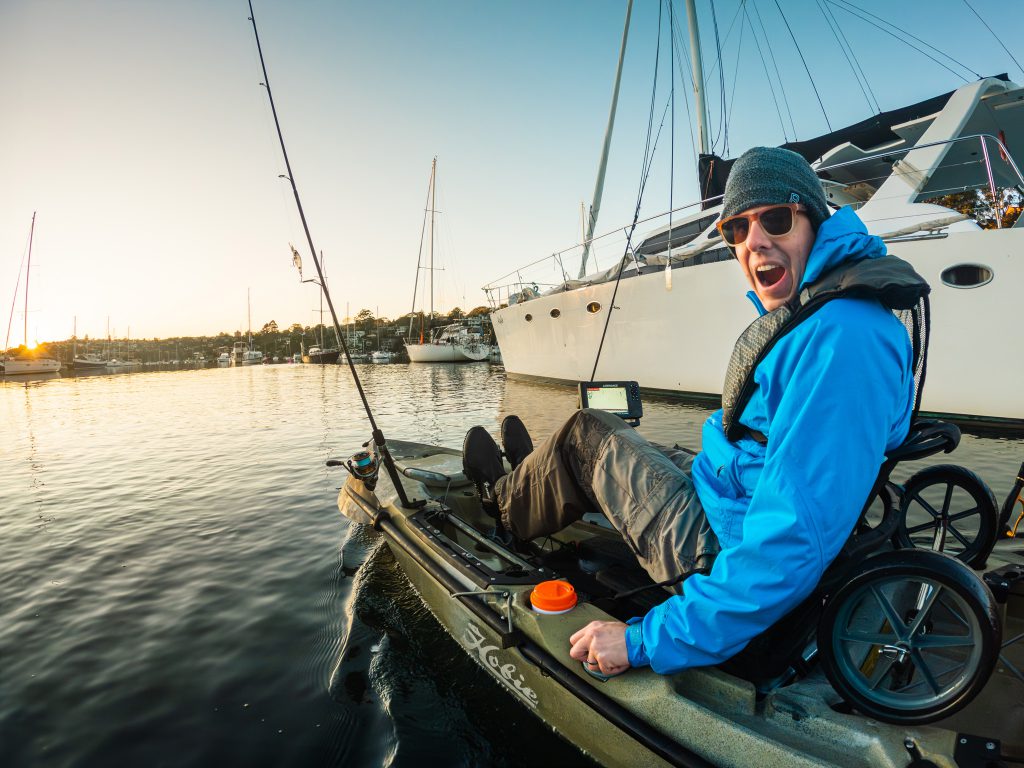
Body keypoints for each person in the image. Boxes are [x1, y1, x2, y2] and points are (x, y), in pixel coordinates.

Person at [463, 146, 929, 677]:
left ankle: (500, 504)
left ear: (815, 221)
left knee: (585, 434)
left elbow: (790, 543)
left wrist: (642, 641)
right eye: (737, 228)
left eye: (776, 218)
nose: (755, 241)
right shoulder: (836, 310)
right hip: (730, 495)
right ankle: (532, 474)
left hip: (724, 547)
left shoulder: (841, 339)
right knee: (615, 436)